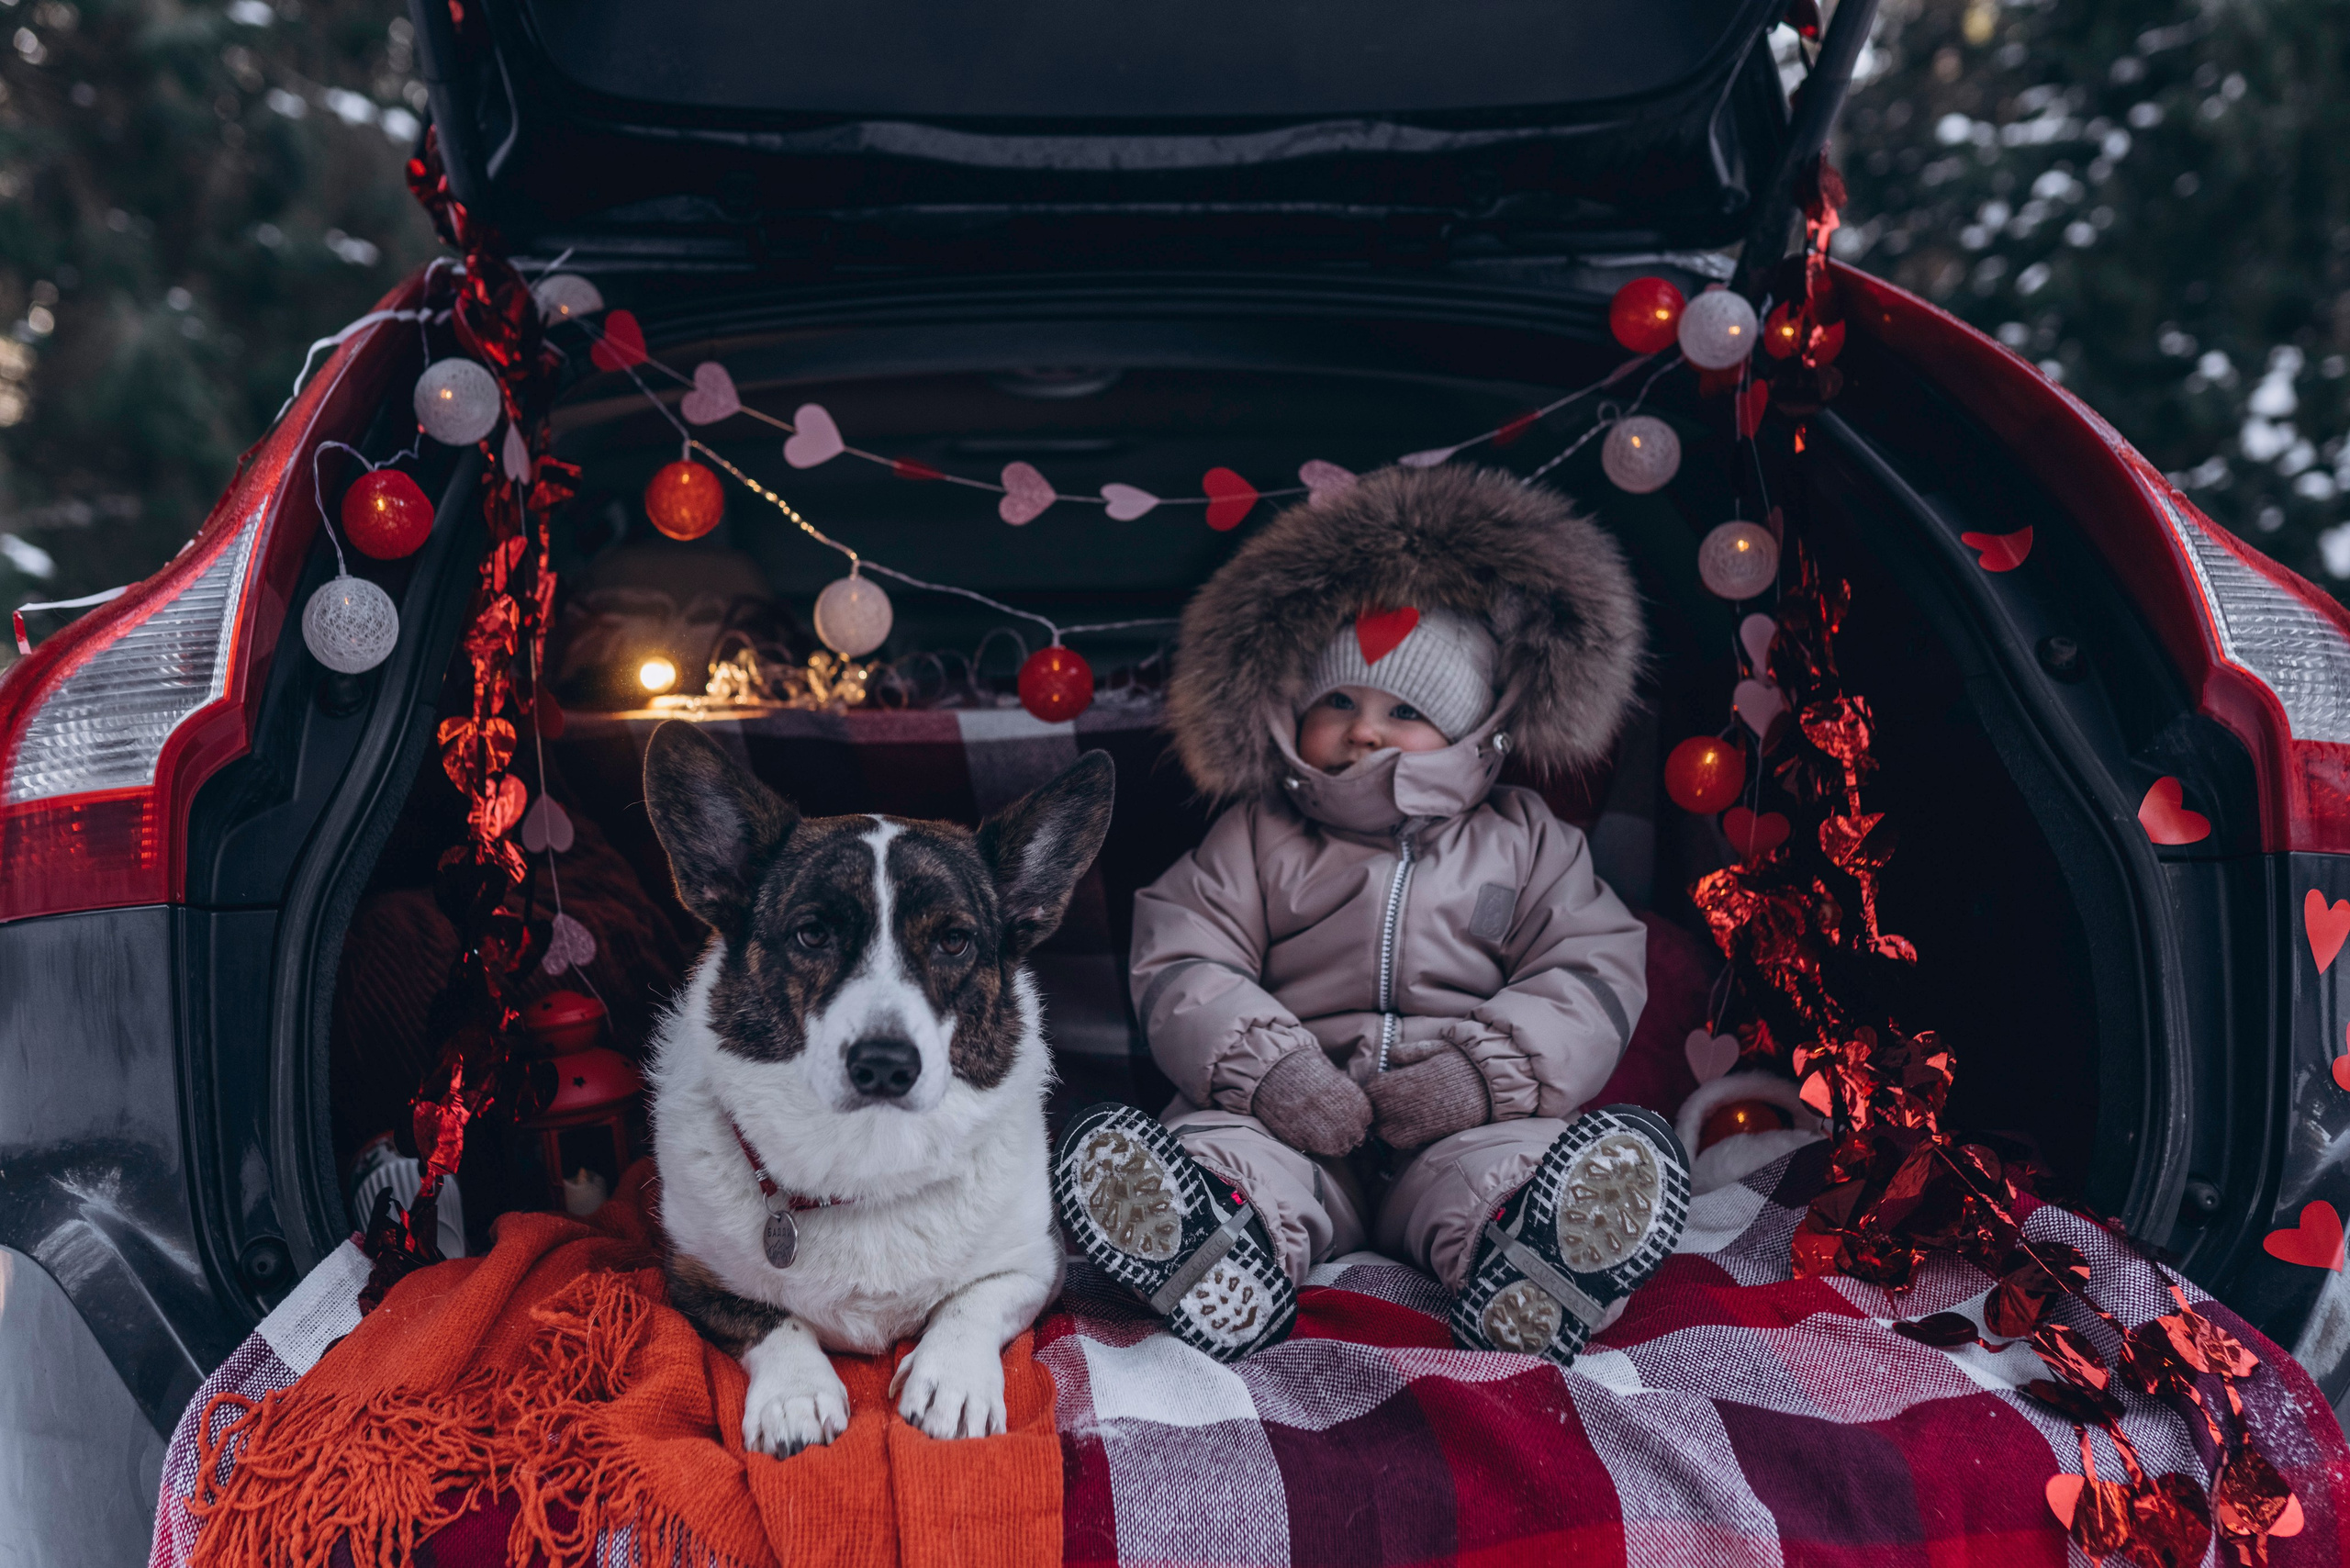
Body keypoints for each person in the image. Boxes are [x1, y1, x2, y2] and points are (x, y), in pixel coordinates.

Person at [1052, 464, 1689, 1364]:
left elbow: (1588, 968)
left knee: (1509, 1171)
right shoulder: (1257, 836)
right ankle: (1213, 1242)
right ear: (1291, 714)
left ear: (1475, 728)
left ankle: (1534, 1258)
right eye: (1338, 703)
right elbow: (1186, 963)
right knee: (1227, 1154)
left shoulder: (1526, 839)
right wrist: (1272, 1074)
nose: (1364, 729)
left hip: (1465, 1120)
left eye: (1406, 710)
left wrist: (1482, 1073)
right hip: (1287, 1117)